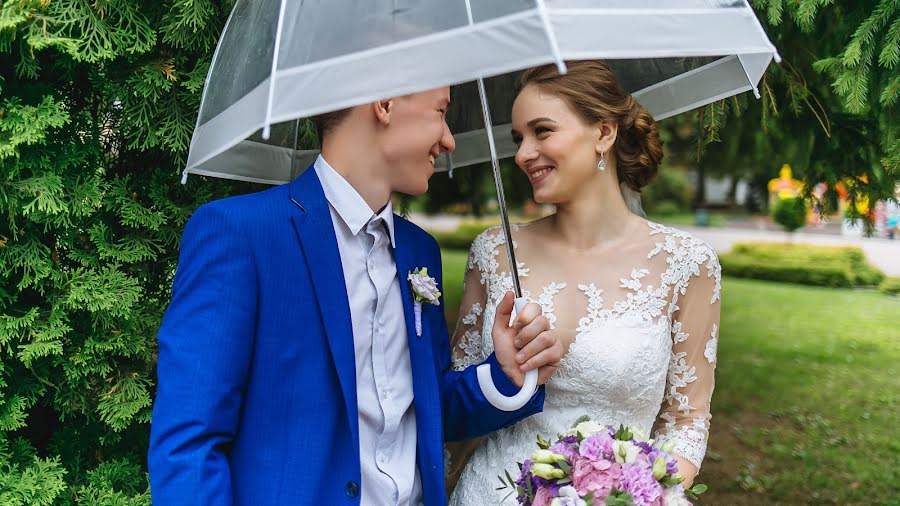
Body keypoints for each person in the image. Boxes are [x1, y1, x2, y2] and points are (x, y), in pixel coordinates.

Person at [148, 86, 568, 505]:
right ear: (384, 102)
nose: (449, 139)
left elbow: (422, 403)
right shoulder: (241, 234)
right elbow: (189, 444)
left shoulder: (420, 251)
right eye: (440, 112)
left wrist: (505, 375)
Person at [448, 61, 721, 504]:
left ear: (604, 132)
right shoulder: (495, 253)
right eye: (518, 139)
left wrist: (639, 495)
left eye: (542, 131)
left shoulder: (687, 265)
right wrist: (501, 374)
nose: (522, 154)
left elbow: (685, 422)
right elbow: (452, 414)